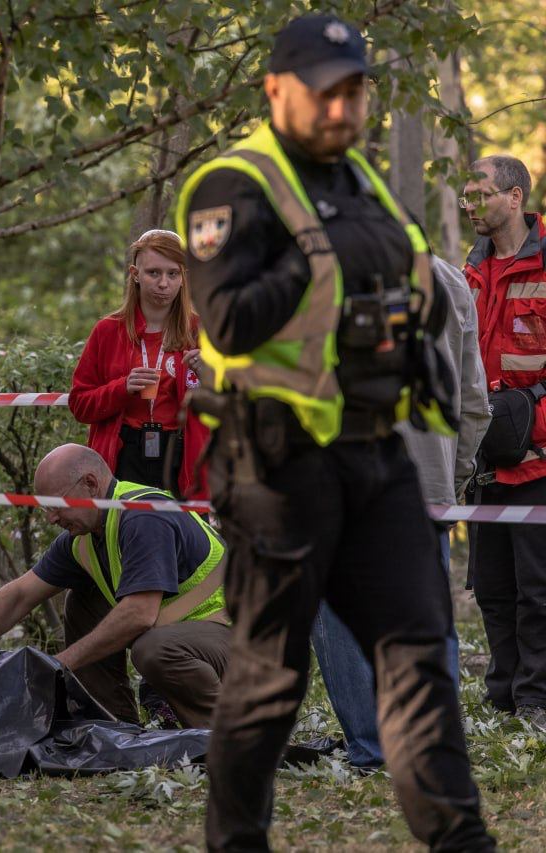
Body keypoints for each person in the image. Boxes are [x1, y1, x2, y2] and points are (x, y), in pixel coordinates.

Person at [176, 14, 492, 850]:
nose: (341, 106)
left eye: (354, 90)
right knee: (269, 680)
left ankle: (462, 841)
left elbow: (412, 281)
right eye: (324, 89)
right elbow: (229, 321)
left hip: (378, 454)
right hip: (279, 464)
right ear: (278, 89)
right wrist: (316, 264)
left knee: (421, 660)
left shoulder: (360, 179)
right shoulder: (232, 185)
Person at [310, 256, 489, 769]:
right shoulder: (449, 278)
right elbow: (474, 400)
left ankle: (373, 747)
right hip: (423, 482)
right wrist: (450, 483)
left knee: (338, 615)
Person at [0, 444, 230, 728]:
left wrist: (60, 663)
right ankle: (115, 726)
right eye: (46, 508)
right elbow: (21, 594)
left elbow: (139, 614)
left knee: (153, 649)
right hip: (199, 637)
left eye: (56, 505)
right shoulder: (84, 537)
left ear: (90, 484)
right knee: (83, 599)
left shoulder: (143, 516)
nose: (51, 518)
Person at [462, 154, 546, 727]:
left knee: (538, 592)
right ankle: (503, 696)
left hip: (537, 461)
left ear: (514, 198)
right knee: (491, 587)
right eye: (467, 195)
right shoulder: (466, 272)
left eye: (481, 194)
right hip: (483, 461)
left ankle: (537, 699)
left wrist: (526, 424)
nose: (471, 204)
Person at [69, 229, 209, 499]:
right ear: (135, 274)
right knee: (125, 538)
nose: (163, 283)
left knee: (178, 539)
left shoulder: (201, 332)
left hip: (182, 459)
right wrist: (121, 388)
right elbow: (79, 404)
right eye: (153, 273)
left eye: (173, 273)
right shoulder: (108, 331)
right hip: (123, 455)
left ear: (184, 277)